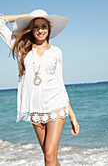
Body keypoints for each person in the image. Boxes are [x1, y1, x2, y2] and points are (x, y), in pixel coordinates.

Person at [0, 9, 79, 166]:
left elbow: (59, 83)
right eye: (36, 26)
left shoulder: (56, 52)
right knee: (50, 158)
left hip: (56, 105)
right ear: (31, 29)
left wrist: (72, 115)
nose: (40, 30)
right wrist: (27, 17)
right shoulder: (22, 48)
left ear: (49, 30)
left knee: (49, 158)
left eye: (44, 26)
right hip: (35, 108)